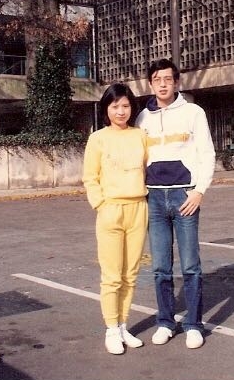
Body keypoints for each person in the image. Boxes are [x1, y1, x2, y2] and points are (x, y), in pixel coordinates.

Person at [135, 58, 215, 349]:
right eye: (157, 79)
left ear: (177, 82)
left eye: (168, 79)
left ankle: (194, 324)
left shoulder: (193, 112)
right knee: (160, 267)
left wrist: (199, 191)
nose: (163, 84)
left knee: (191, 266)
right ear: (151, 83)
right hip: (153, 197)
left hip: (184, 196)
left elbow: (207, 152)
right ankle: (166, 322)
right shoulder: (141, 118)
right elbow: (138, 159)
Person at [83, 83, 149, 355]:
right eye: (115, 106)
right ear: (106, 109)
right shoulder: (98, 138)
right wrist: (101, 204)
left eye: (125, 105)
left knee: (130, 275)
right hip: (111, 210)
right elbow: (90, 177)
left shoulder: (140, 135)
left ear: (132, 107)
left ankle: (123, 325)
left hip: (138, 209)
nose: (120, 111)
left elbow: (150, 167)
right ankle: (111, 329)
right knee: (111, 276)